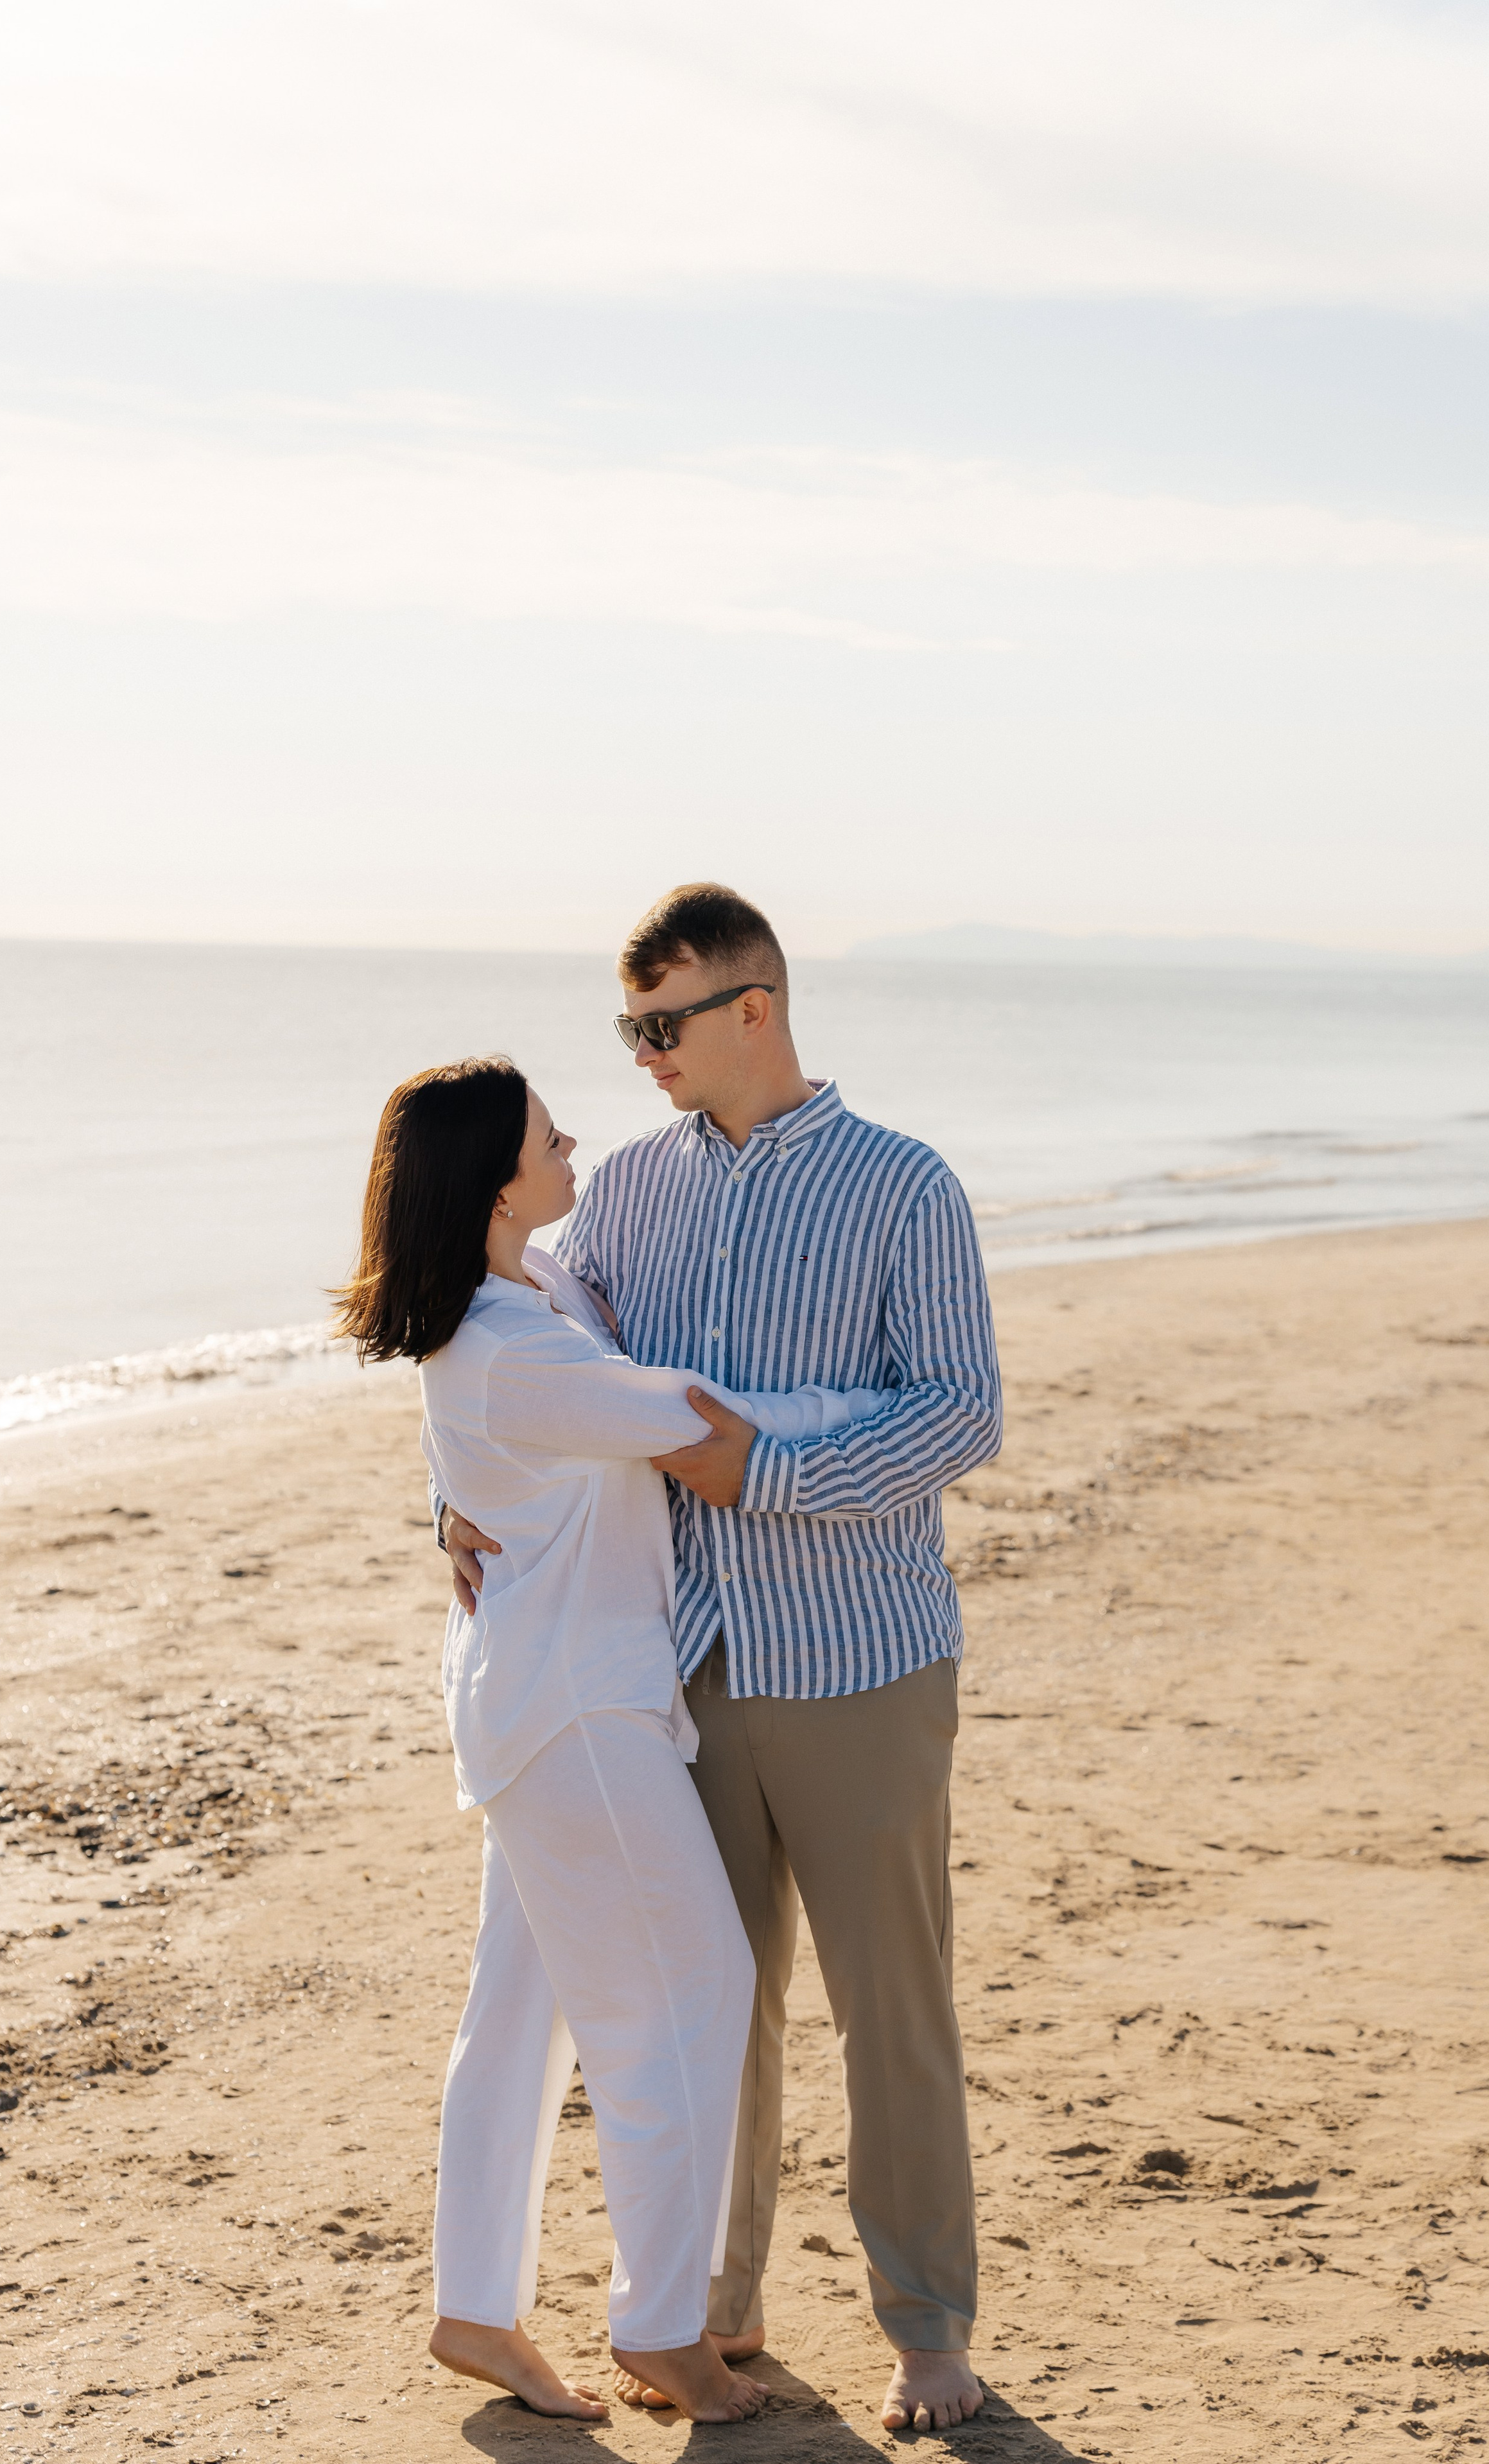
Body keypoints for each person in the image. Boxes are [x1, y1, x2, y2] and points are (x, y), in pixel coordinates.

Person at [442, 882, 1003, 2434]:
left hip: (861, 1658)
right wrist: (452, 1494)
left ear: (751, 1006)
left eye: (662, 1024)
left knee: (892, 2007)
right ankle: (714, 2308)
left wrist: (763, 1470)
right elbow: (532, 1358)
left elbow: (958, 1411)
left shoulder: (903, 1186)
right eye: (626, 1029)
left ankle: (926, 2326)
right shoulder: (620, 1192)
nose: (641, 1055)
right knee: (713, 2006)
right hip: (675, 1662)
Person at [336, 1054, 891, 2424]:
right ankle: (659, 2323)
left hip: (545, 1693)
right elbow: (690, 1420)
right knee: (690, 1984)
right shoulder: (509, 1345)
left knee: (519, 2009)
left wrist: (442, 1503)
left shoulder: (536, 1291)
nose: (571, 1137)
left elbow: (481, 1435)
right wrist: (890, 1419)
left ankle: (474, 2306)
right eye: (543, 1134)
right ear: (489, 1179)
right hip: (576, 1707)